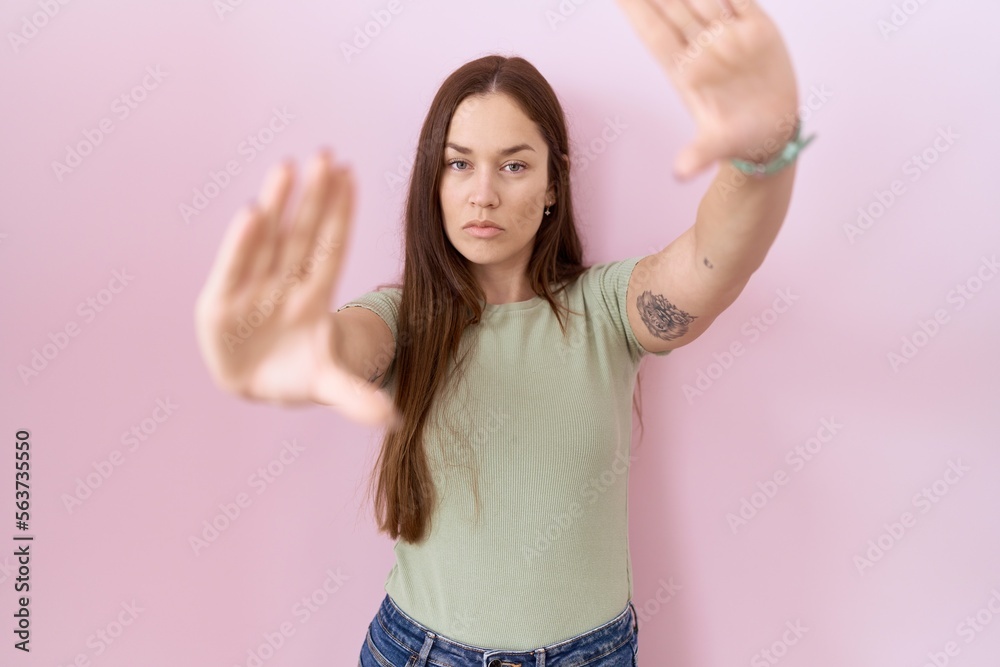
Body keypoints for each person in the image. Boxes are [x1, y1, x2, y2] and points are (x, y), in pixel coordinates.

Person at [194, 2, 812, 664]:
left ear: (552, 185)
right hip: (418, 652)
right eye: (459, 164)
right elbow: (344, 346)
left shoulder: (607, 307)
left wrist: (763, 155)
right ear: (433, 180)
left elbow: (715, 263)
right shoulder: (400, 319)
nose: (482, 193)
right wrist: (274, 346)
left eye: (513, 165)